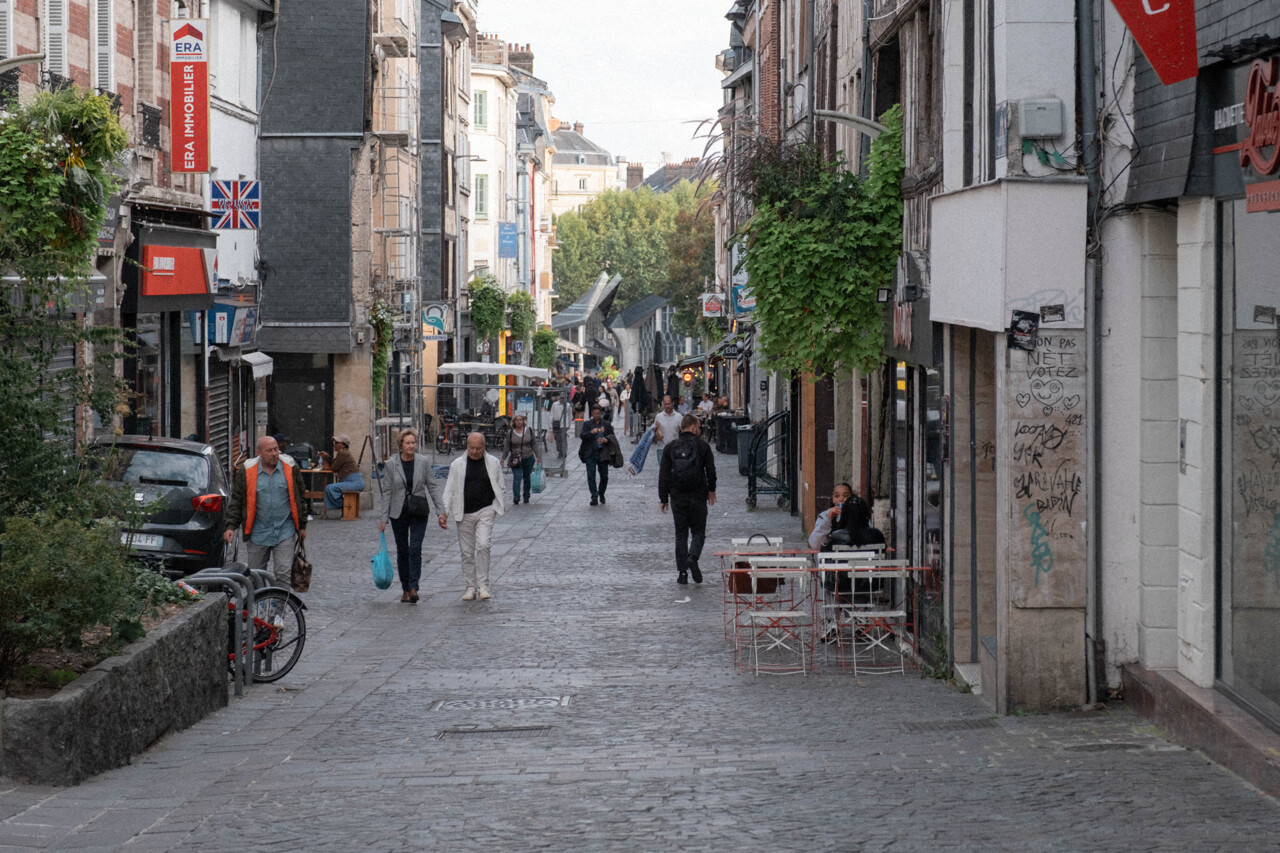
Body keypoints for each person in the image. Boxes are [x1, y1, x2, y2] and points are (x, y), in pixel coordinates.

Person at [224, 435, 307, 586]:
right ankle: (257, 606)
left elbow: (300, 497)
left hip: (285, 530)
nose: (274, 453)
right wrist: (231, 526)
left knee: (283, 573)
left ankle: (279, 608)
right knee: (255, 575)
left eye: (276, 449)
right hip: (258, 531)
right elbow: (237, 500)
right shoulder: (247, 471)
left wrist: (302, 526)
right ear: (259, 452)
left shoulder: (290, 467)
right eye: (269, 451)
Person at [379, 428, 446, 604]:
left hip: (418, 510)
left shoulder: (423, 462)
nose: (411, 446)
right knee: (403, 550)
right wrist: (383, 518)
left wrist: (441, 511)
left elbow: (432, 486)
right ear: (401, 444)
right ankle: (405, 589)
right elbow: (387, 491)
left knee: (415, 548)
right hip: (398, 512)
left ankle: (413, 586)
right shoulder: (391, 464)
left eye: (413, 442)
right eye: (408, 443)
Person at [442, 432, 505, 601]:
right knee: (466, 552)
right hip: (464, 511)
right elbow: (449, 489)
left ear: (484, 447)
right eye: (471, 448)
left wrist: (495, 506)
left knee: (484, 545)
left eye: (478, 448)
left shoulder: (493, 463)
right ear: (467, 447)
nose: (475, 451)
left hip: (486, 508)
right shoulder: (457, 464)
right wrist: (444, 512)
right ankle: (471, 586)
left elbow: (500, 485)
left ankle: (483, 585)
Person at [658, 414, 717, 584]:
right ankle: (693, 556)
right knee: (699, 531)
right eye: (698, 427)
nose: (700, 430)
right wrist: (711, 490)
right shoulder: (702, 446)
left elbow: (664, 474)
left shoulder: (670, 448)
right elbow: (711, 471)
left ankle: (682, 573)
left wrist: (663, 497)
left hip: (677, 496)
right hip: (698, 495)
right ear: (692, 427)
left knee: (681, 533)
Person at [807, 482, 878, 550]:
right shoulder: (825, 515)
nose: (841, 499)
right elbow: (815, 544)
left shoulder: (859, 514)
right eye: (837, 496)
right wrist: (827, 519)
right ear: (833, 499)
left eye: (846, 496)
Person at [501, 413, 542, 505]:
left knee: (527, 477)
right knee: (517, 477)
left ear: (523, 421)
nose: (519, 422)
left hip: (528, 457)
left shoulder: (529, 431)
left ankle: (526, 496)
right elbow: (507, 446)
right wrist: (503, 458)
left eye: (520, 420)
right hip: (515, 459)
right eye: (517, 420)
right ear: (514, 422)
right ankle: (516, 497)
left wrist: (538, 456)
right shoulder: (510, 433)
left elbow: (534, 444)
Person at [319, 433, 364, 515]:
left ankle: (345, 505)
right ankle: (345, 505)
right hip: (352, 481)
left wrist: (328, 457)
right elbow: (335, 464)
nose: (334, 445)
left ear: (343, 445)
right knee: (331, 488)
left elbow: (334, 467)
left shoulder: (343, 454)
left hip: (354, 482)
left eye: (336, 443)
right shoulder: (342, 453)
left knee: (329, 488)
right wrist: (328, 457)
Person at [579, 404, 614, 506]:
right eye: (595, 413)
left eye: (598, 413)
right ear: (592, 414)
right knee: (591, 476)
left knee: (604, 476)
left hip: (603, 453)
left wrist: (605, 440)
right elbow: (582, 435)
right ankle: (594, 496)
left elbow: (612, 437)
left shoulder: (606, 424)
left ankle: (601, 493)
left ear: (601, 413)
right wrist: (591, 432)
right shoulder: (587, 424)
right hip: (591, 453)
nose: (596, 415)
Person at [549, 393, 569, 459]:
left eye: (563, 398)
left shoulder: (567, 405)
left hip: (564, 425)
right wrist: (550, 425)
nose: (562, 399)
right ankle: (560, 452)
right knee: (558, 439)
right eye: (561, 398)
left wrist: (568, 425)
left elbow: (569, 415)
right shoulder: (555, 405)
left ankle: (564, 452)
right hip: (556, 424)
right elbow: (552, 414)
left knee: (563, 439)